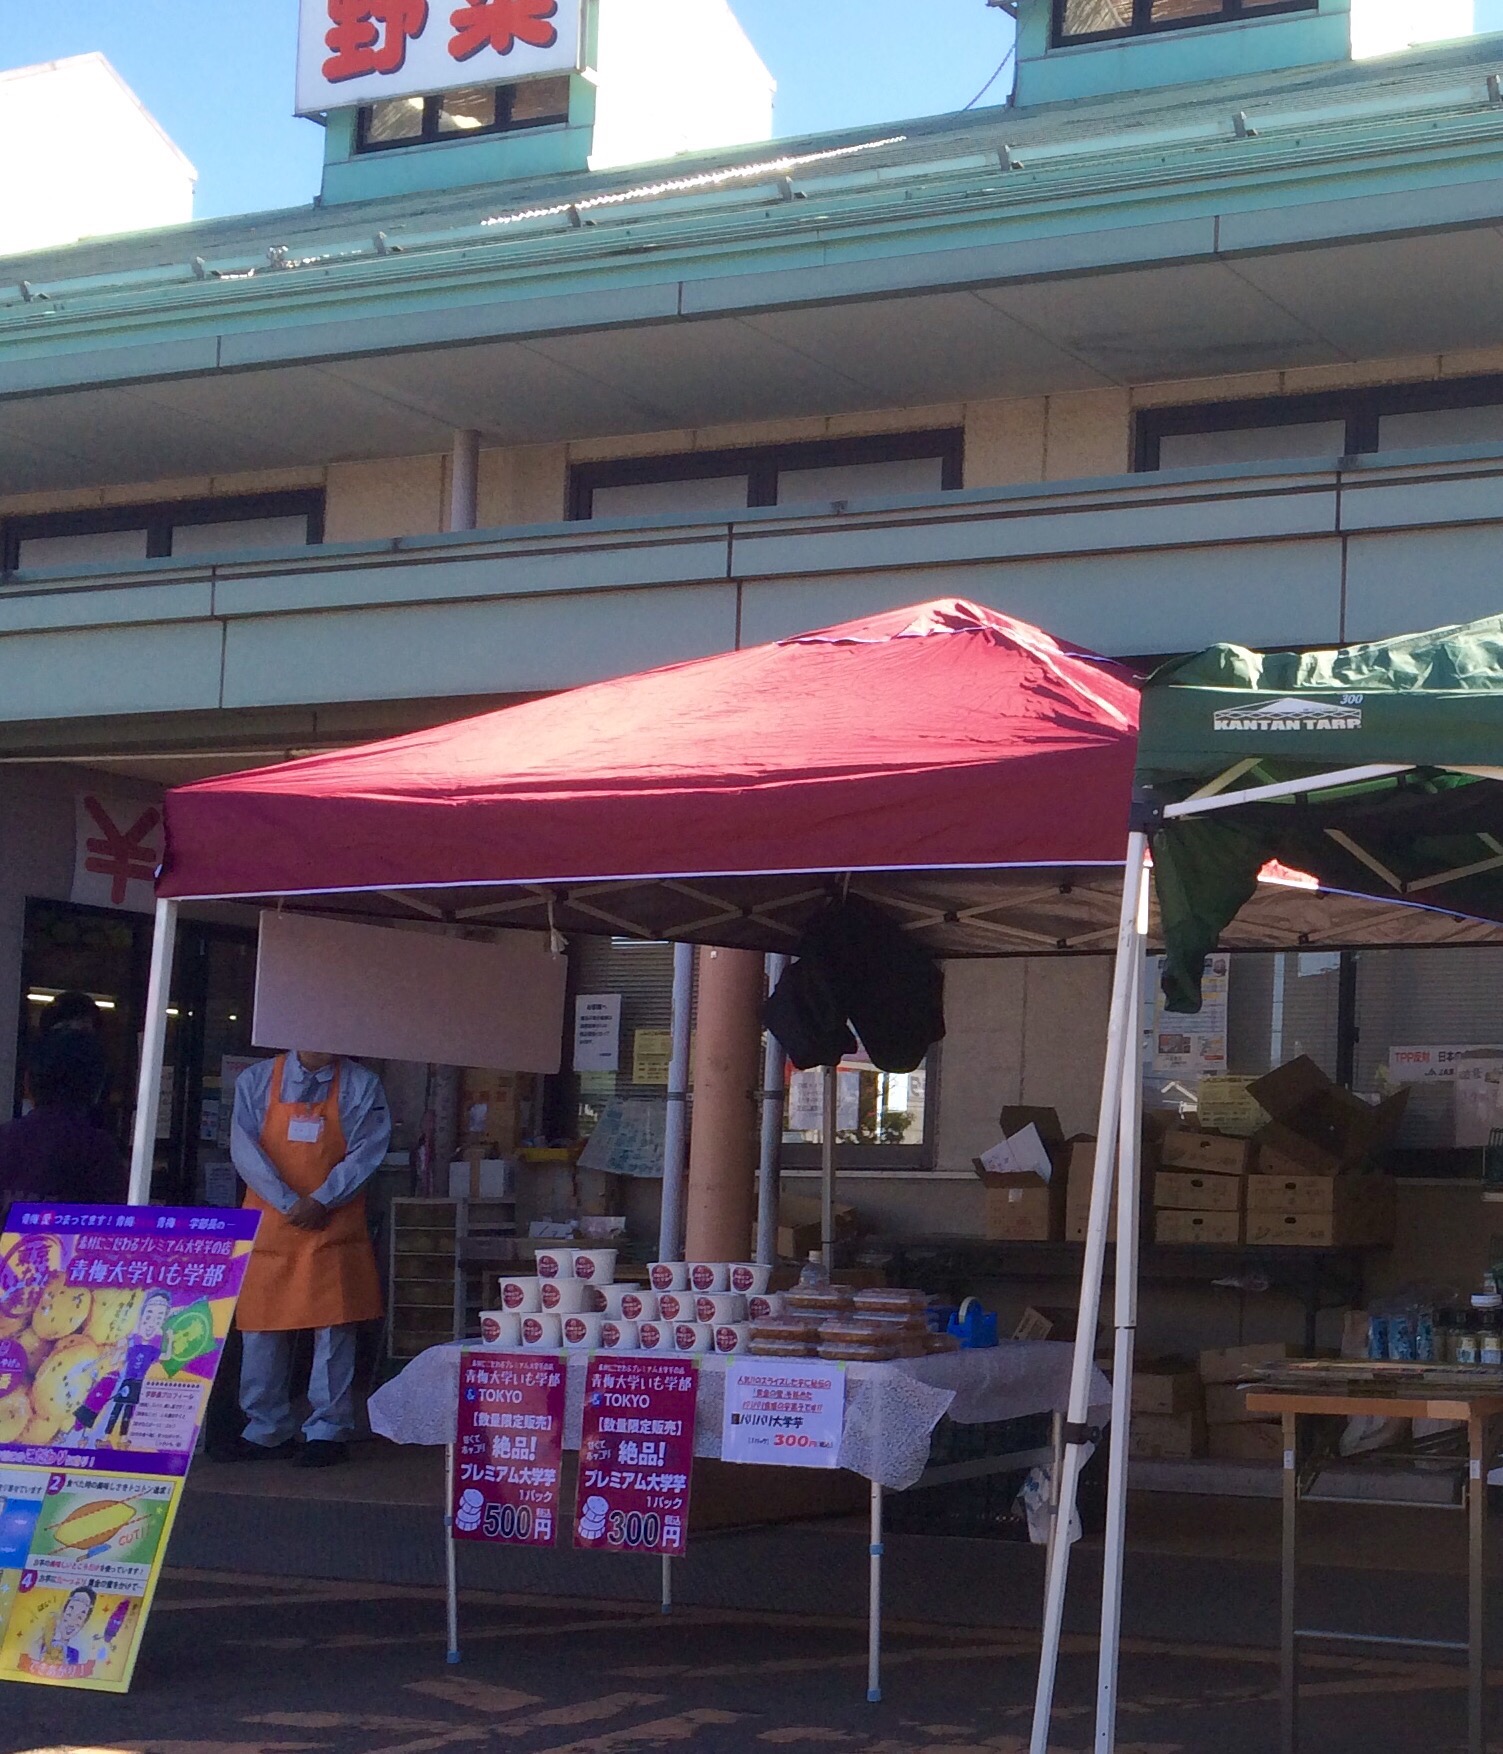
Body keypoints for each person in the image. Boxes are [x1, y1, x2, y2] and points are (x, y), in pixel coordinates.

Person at [227, 1050, 390, 1469]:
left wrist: (322, 1199)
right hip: (271, 1223)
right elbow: (244, 1150)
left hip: (332, 1224)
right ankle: (265, 1427)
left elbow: (368, 1151)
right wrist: (289, 1202)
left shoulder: (362, 1085)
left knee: (334, 1328)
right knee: (261, 1328)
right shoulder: (256, 1080)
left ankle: (328, 1430)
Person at [0, 1029, 125, 1212]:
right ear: (96, 1088)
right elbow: (112, 1219)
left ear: (27, 1082)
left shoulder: (6, 1139)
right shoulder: (98, 1150)